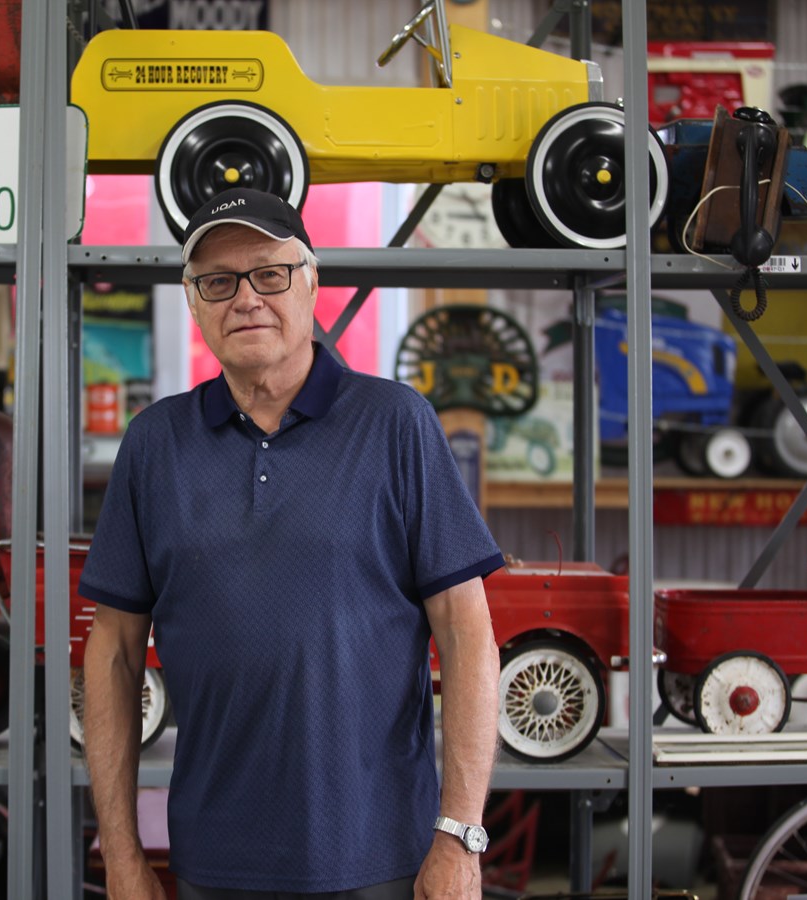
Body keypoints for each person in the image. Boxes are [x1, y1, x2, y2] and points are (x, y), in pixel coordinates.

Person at [78, 186, 504, 900]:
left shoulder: (396, 424)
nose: (245, 298)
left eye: (270, 273)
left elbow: (467, 635)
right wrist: (121, 853)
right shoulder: (156, 444)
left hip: (382, 857)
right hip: (213, 862)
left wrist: (460, 832)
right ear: (194, 302)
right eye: (217, 281)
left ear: (312, 282)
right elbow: (113, 652)